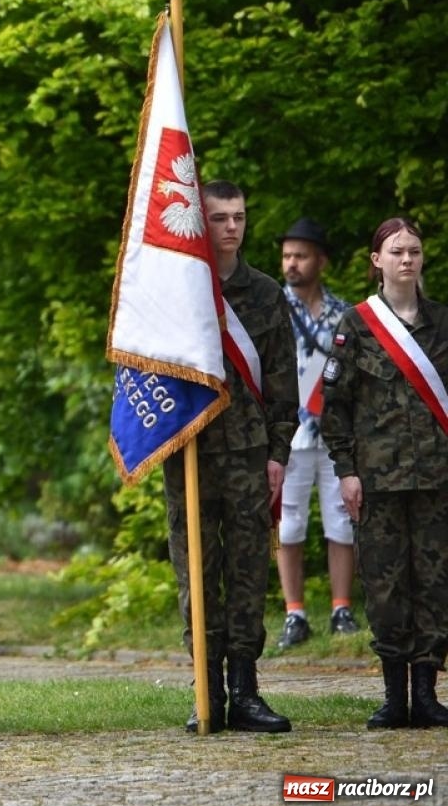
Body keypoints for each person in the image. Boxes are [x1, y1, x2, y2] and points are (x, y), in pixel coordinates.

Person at [163, 181, 296, 733]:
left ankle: (244, 689)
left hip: (246, 454)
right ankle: (207, 691)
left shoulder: (265, 294)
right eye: (219, 218)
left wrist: (278, 454)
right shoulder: (173, 292)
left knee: (246, 573)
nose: (231, 227)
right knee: (196, 574)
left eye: (239, 217)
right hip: (189, 453)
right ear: (201, 223)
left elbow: (283, 380)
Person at [320, 217, 448, 729]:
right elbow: (335, 408)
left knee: (436, 585)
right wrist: (347, 471)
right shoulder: (356, 325)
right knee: (386, 586)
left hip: (437, 478)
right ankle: (395, 696)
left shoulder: (443, 322)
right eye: (396, 252)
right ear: (377, 260)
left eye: (414, 251)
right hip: (378, 481)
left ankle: (427, 694)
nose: (406, 260)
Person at [274, 218, 358, 648]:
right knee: (288, 525)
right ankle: (295, 614)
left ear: (320, 261)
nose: (292, 263)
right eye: (287, 255)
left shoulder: (344, 313)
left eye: (301, 255)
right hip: (288, 435)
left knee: (341, 521)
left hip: (332, 435)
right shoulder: (271, 309)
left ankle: (342, 608)